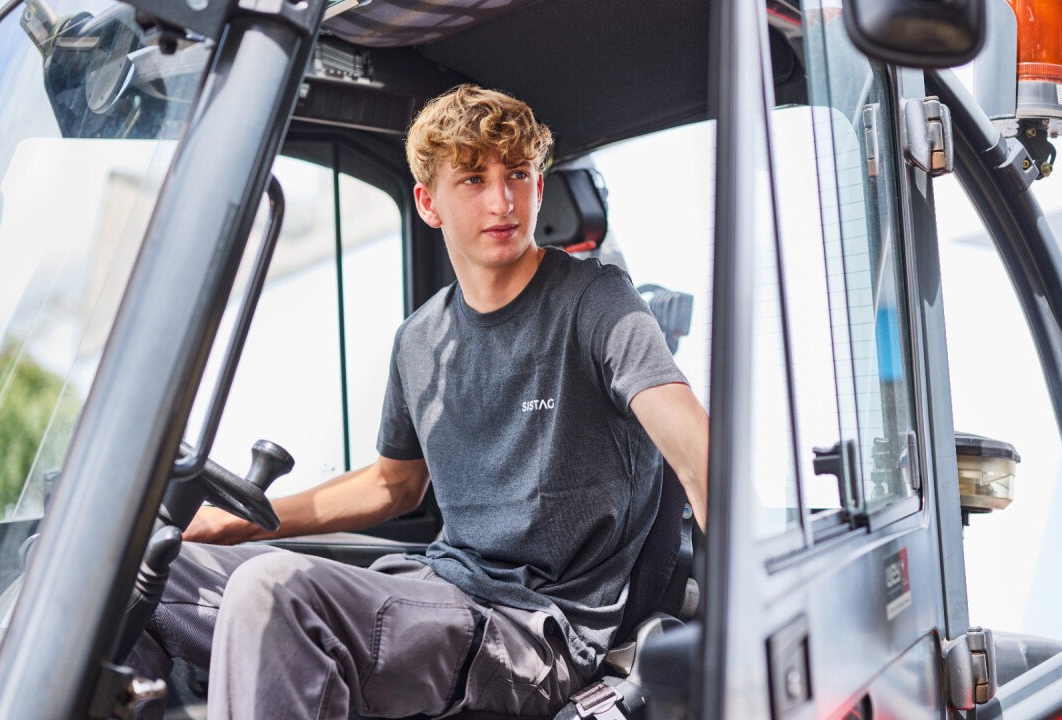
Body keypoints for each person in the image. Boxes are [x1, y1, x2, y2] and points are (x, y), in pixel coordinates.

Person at [129, 84, 709, 720]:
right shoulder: (420, 340)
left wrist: (744, 617)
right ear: (429, 203)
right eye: (473, 178)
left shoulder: (595, 303)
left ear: (539, 186)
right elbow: (392, 486)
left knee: (273, 592)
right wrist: (224, 522)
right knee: (131, 574)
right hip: (436, 588)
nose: (502, 200)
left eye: (518, 174)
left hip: (533, 631)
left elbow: (694, 452)